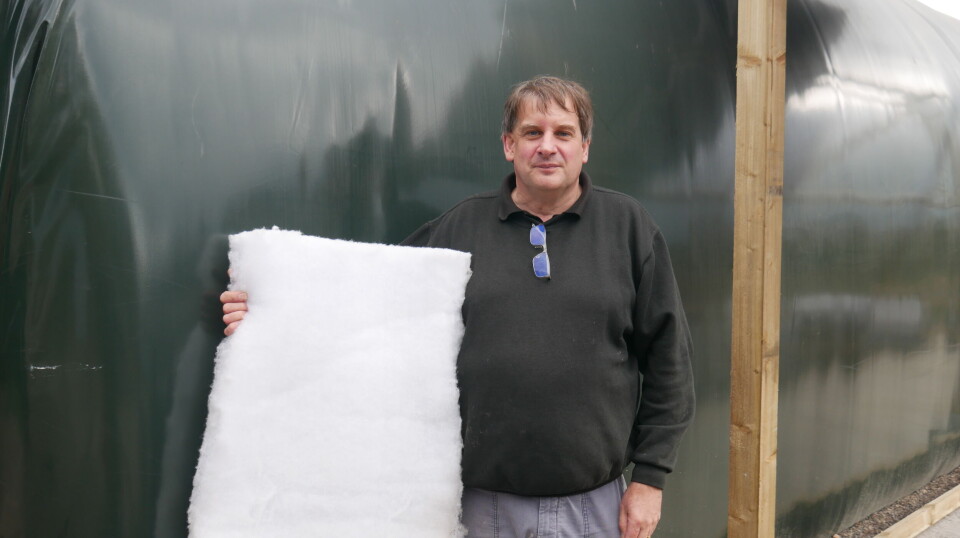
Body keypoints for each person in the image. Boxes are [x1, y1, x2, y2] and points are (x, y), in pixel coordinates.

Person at [221, 75, 694, 538]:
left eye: (563, 133)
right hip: (481, 510)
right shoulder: (459, 229)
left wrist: (650, 479)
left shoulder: (629, 228)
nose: (547, 146)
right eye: (533, 133)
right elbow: (366, 296)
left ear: (584, 148)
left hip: (593, 509)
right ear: (509, 145)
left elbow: (668, 360)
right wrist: (267, 307)